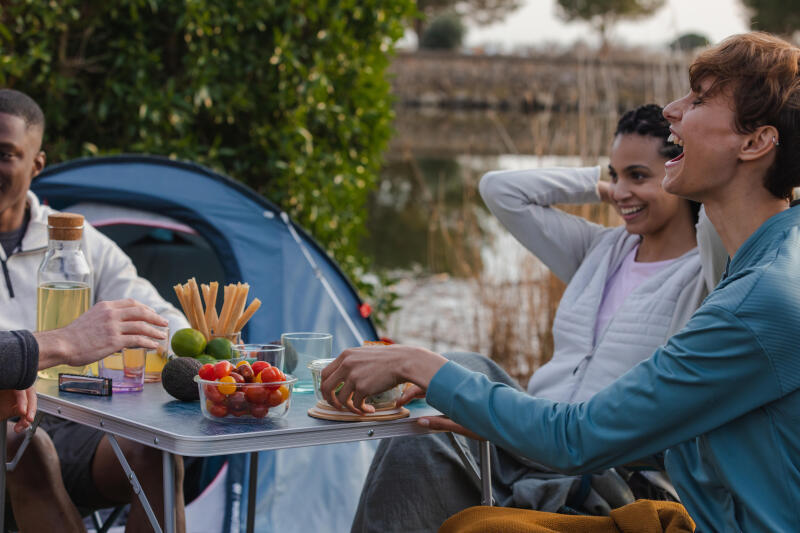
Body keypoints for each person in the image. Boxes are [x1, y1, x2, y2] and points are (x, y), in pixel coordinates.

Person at [323, 31, 800, 532]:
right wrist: (499, 416)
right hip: (623, 470)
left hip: (637, 486)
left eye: (699, 100)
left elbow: (576, 441)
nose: (672, 110)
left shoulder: (752, 302)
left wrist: (412, 359)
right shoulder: (767, 259)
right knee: (450, 442)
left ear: (755, 142)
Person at [347, 104, 725, 532]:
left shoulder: (705, 273)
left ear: (679, 172)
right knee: (434, 405)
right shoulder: (599, 251)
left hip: (606, 464)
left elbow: (715, 215)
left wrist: (692, 135)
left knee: (438, 408)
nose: (621, 192)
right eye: (615, 174)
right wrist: (604, 187)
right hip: (530, 432)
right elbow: (499, 189)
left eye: (638, 175)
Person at [0, 88, 190, 531]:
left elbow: (159, 319)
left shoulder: (77, 241)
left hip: (77, 421)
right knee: (25, 446)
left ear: (37, 164)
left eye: (6, 154)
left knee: (157, 453)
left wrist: (190, 359)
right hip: (11, 425)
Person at [2, 300, 168, 532]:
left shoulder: (85, 262)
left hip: (69, 414)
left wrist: (176, 347)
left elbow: (158, 313)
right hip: (13, 421)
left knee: (154, 449)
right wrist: (58, 343)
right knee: (26, 446)